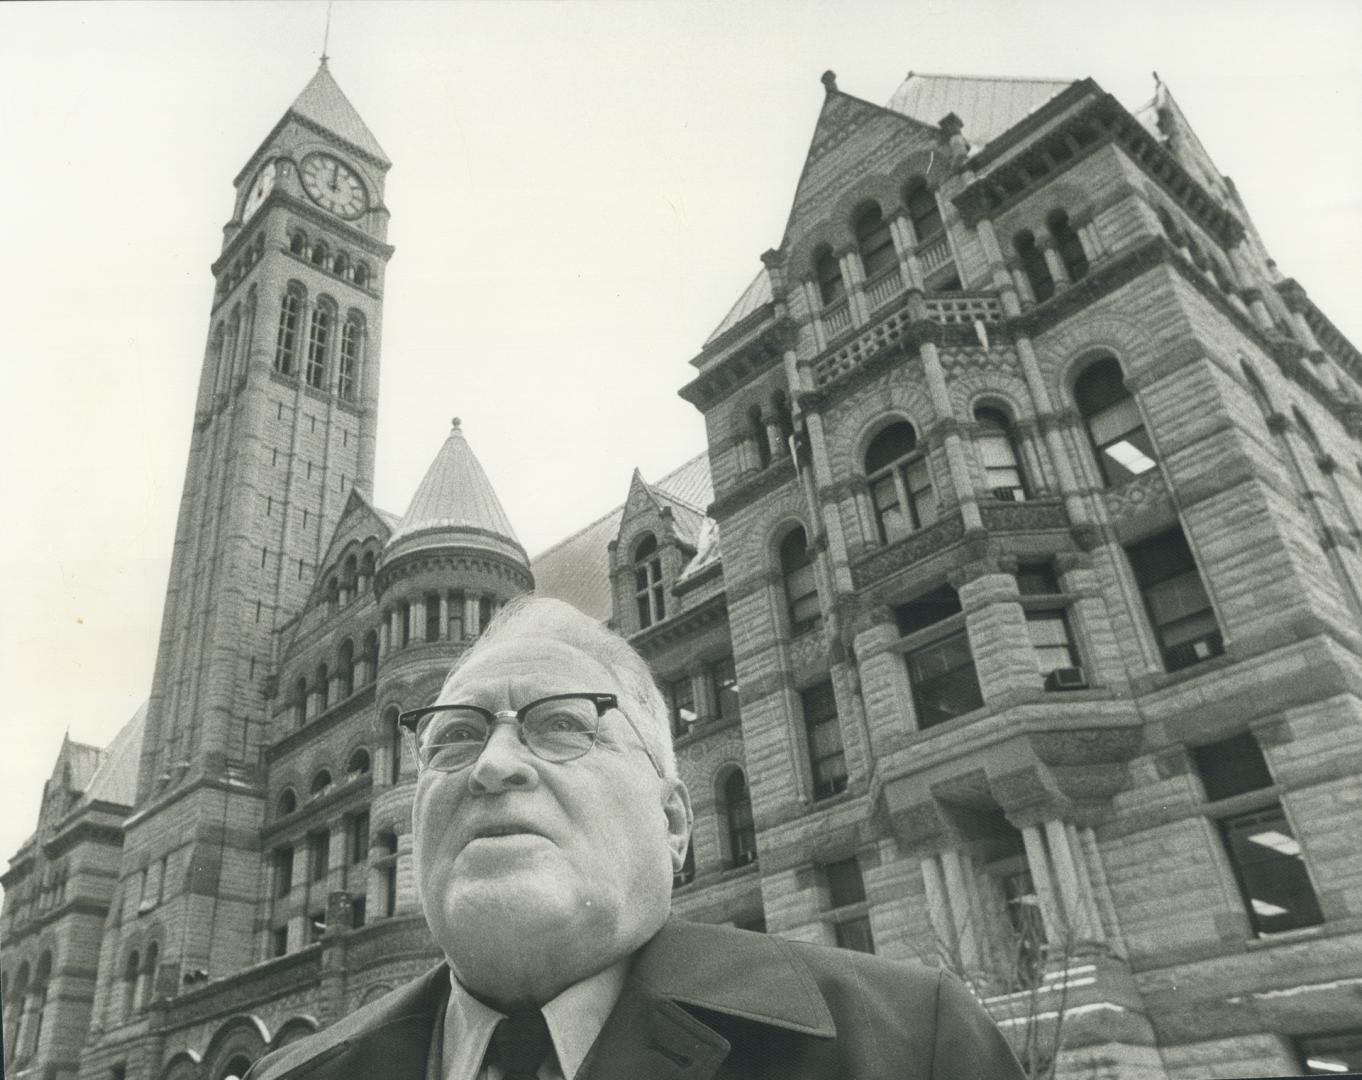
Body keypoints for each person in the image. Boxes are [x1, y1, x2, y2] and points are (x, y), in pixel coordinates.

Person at [248, 596, 1024, 1079]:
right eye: (453, 737)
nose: (493, 764)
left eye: (561, 725)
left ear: (674, 821)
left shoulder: (907, 1045)